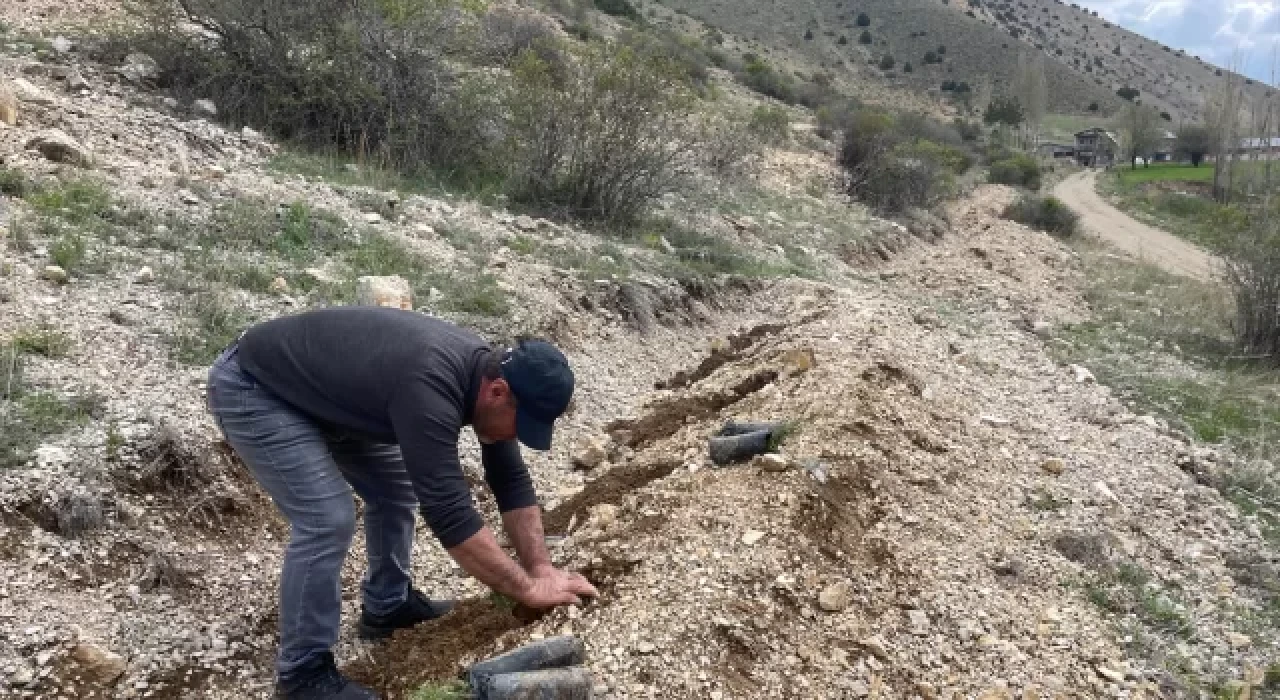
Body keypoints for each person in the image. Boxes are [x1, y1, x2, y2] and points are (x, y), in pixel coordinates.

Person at [206, 307, 598, 700]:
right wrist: (527, 590)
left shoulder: (489, 378)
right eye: (521, 425)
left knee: (395, 490)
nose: (517, 436)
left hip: (330, 399)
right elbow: (450, 513)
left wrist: (541, 568)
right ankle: (302, 672)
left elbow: (510, 479)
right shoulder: (430, 386)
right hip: (258, 388)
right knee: (327, 517)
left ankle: (387, 606)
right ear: (497, 392)